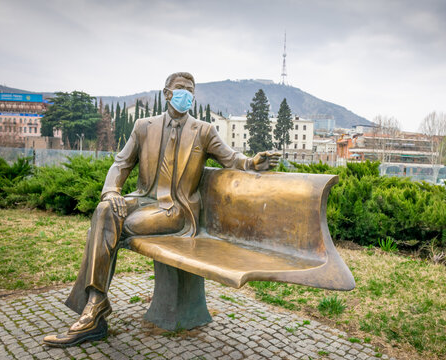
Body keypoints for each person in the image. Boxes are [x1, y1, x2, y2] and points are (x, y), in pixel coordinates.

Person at [43, 72, 280, 347]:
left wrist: (252, 163)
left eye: (190, 90)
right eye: (180, 89)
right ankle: (96, 304)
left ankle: (93, 312)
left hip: (175, 211)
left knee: (114, 225)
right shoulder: (144, 126)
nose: (186, 95)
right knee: (105, 210)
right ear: (167, 93)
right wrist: (111, 191)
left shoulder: (203, 131)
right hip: (143, 199)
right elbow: (121, 164)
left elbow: (231, 158)